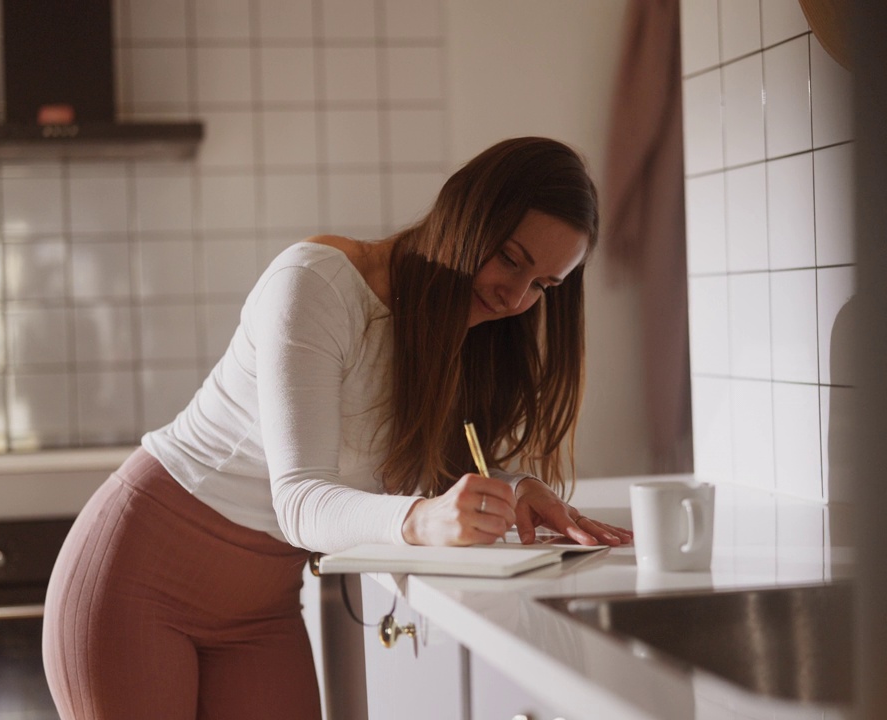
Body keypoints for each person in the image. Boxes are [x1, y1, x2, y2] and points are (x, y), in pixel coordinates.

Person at [42, 136, 633, 720]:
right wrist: (422, 519)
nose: (515, 297)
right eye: (510, 258)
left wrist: (507, 487)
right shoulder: (317, 285)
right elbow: (299, 502)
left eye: (543, 287)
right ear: (464, 213)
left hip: (260, 611)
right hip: (137, 586)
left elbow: (393, 464)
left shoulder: (457, 331)